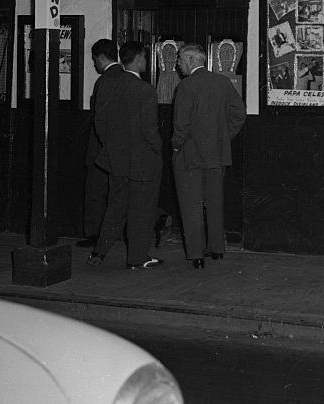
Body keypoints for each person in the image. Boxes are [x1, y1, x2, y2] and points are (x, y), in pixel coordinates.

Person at [86, 41, 163, 270]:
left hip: (116, 159)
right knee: (141, 210)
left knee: (115, 206)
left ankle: (100, 252)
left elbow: (99, 122)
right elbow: (150, 131)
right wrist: (158, 149)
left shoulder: (108, 85)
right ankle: (137, 257)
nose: (146, 62)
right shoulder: (146, 90)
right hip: (142, 161)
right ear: (139, 59)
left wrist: (112, 146)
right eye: (145, 58)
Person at [171, 43, 247, 269]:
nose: (177, 64)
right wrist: (223, 137)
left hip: (189, 156)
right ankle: (217, 249)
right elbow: (239, 114)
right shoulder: (223, 83)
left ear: (191, 60)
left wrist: (175, 146)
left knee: (190, 205)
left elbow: (181, 125)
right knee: (214, 203)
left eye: (180, 60)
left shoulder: (186, 86)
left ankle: (196, 255)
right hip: (217, 155)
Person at [78, 38, 123, 249]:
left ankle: (95, 234)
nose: (95, 64)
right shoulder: (126, 78)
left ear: (101, 57)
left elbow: (99, 117)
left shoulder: (104, 81)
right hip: (122, 146)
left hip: (101, 146)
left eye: (95, 59)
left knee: (95, 191)